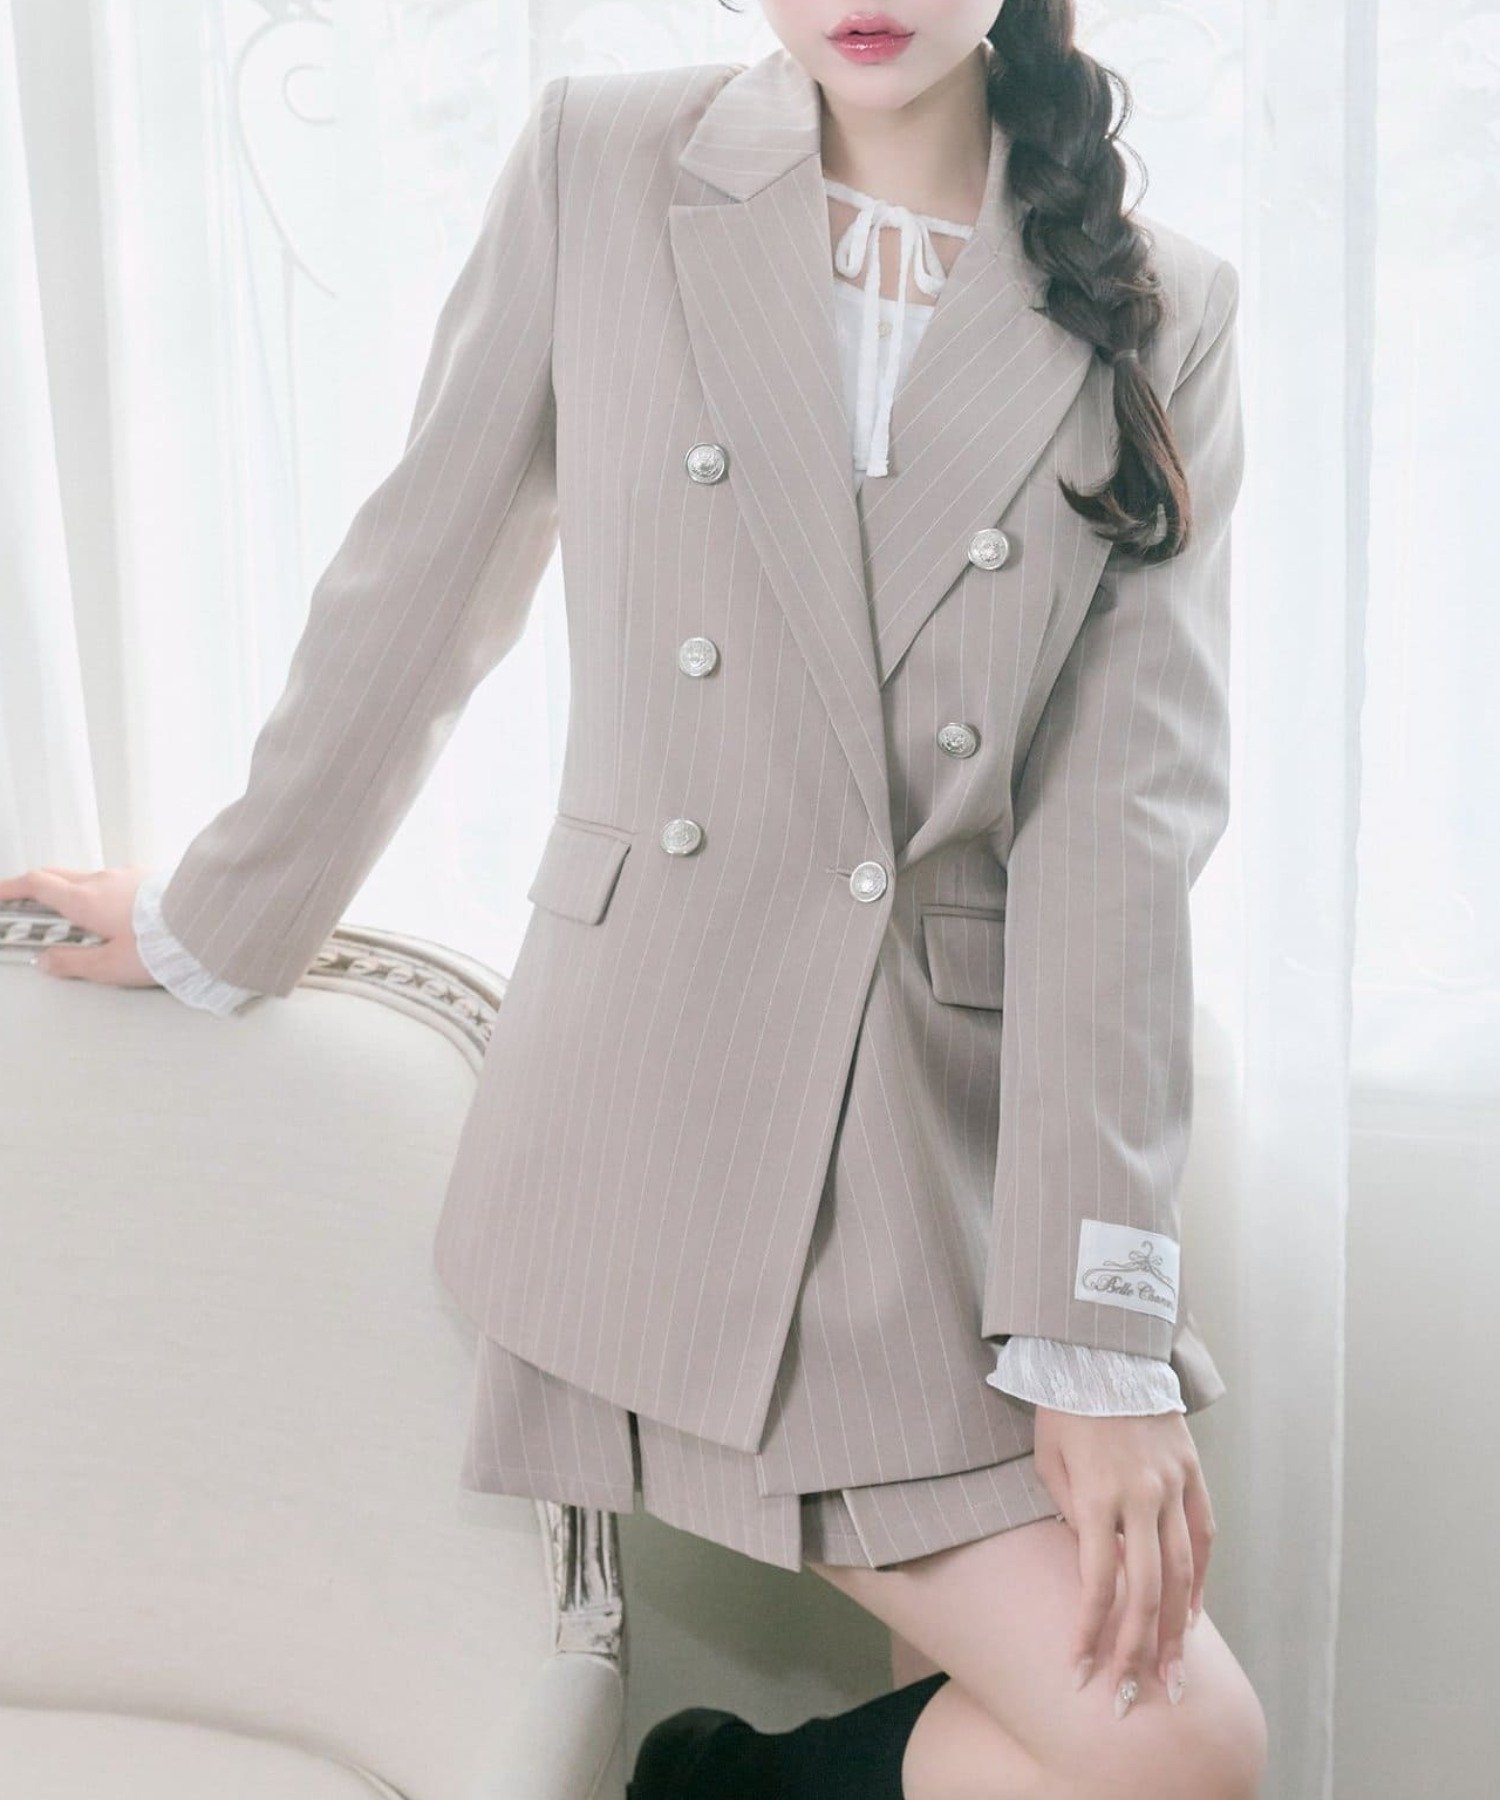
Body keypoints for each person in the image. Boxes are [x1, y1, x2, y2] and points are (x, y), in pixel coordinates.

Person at [2, 2, 1269, 1793]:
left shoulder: (1158, 305)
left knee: (1143, 1744)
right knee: (1170, 1745)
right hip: (659, 1125)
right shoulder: (605, 166)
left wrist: (1101, 1333)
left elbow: (1123, 833)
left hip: (968, 1177)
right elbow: (428, 568)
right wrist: (222, 916)